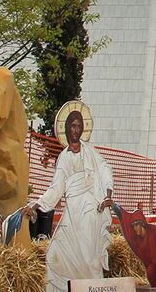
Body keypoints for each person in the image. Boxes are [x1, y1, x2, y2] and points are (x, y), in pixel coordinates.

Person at [33, 109, 114, 292]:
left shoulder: (90, 152)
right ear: (67, 129)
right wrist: (37, 204)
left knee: (88, 256)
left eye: (78, 125)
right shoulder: (64, 157)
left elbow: (104, 168)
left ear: (83, 128)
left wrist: (108, 193)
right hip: (72, 210)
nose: (75, 129)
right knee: (54, 253)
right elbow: (56, 188)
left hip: (89, 208)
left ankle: (92, 287)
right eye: (72, 125)